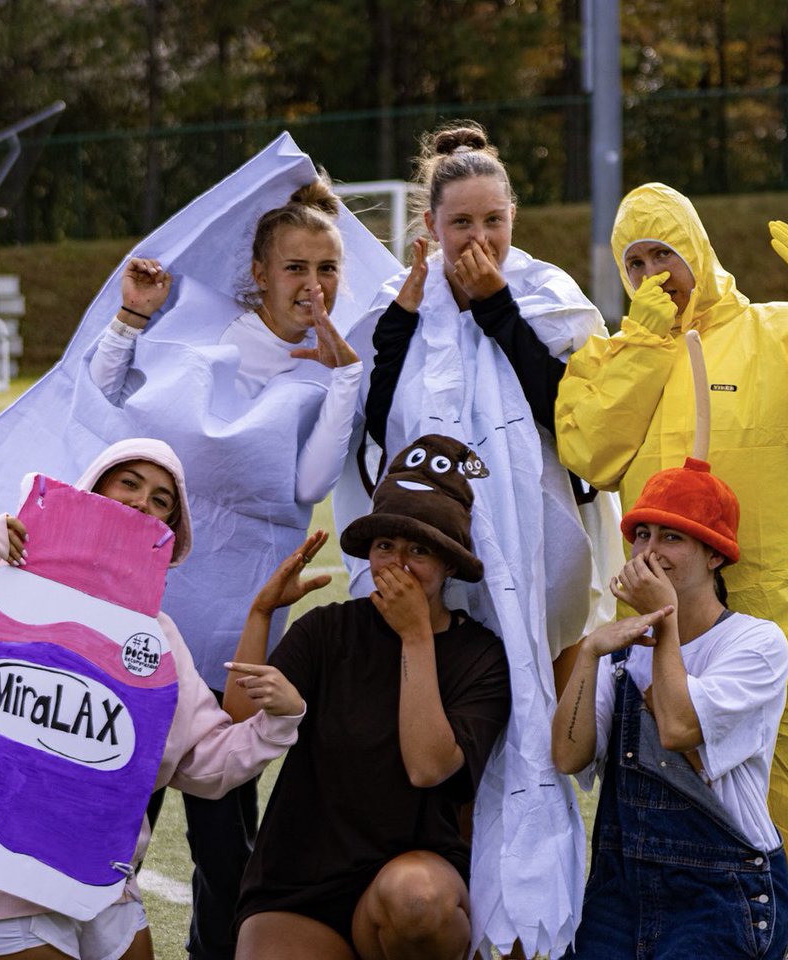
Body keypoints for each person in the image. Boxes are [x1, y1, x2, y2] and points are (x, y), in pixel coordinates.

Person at [556, 182, 788, 959]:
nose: (654, 274)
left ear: (699, 249)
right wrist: (643, 345)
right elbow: (592, 454)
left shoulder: (782, 332)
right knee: (667, 804)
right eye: (635, 263)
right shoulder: (611, 356)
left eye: (665, 254)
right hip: (665, 622)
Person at [336, 120, 623, 957]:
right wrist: (404, 321)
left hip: (536, 563)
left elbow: (577, 424)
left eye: (493, 220)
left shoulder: (546, 296)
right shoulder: (394, 304)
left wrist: (496, 309)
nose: (478, 239)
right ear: (429, 226)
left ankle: (526, 916)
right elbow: (376, 433)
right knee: (443, 729)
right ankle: (435, 907)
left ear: (513, 218)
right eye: (460, 222)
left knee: (527, 726)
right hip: (433, 567)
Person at [0, 437, 304, 960]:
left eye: (162, 500)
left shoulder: (155, 636)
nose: (143, 502)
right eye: (129, 483)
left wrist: (277, 722)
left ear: (170, 529)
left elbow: (203, 762)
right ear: (92, 489)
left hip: (99, 879)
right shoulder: (1, 586)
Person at [86, 178, 363, 959]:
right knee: (114, 822)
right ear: (259, 273)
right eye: (296, 267)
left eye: (328, 268)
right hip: (140, 620)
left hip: (239, 628)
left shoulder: (334, 369)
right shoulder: (198, 333)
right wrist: (132, 317)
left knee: (225, 847)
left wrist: (344, 377)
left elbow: (309, 484)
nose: (313, 285)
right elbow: (103, 407)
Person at [226, 435, 512, 960]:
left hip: (409, 873)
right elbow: (239, 721)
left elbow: (428, 767)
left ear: (450, 564)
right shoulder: (329, 628)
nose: (397, 564)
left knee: (418, 902)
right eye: (385, 546)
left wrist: (416, 636)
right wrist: (261, 613)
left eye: (419, 550)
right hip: (303, 877)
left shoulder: (481, 655)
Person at [553, 457, 788, 959]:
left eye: (672, 537)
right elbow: (569, 757)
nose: (649, 552)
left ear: (715, 555)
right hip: (621, 887)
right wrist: (591, 652)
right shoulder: (618, 648)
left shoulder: (757, 643)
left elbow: (679, 727)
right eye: (641, 535)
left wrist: (664, 622)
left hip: (725, 889)